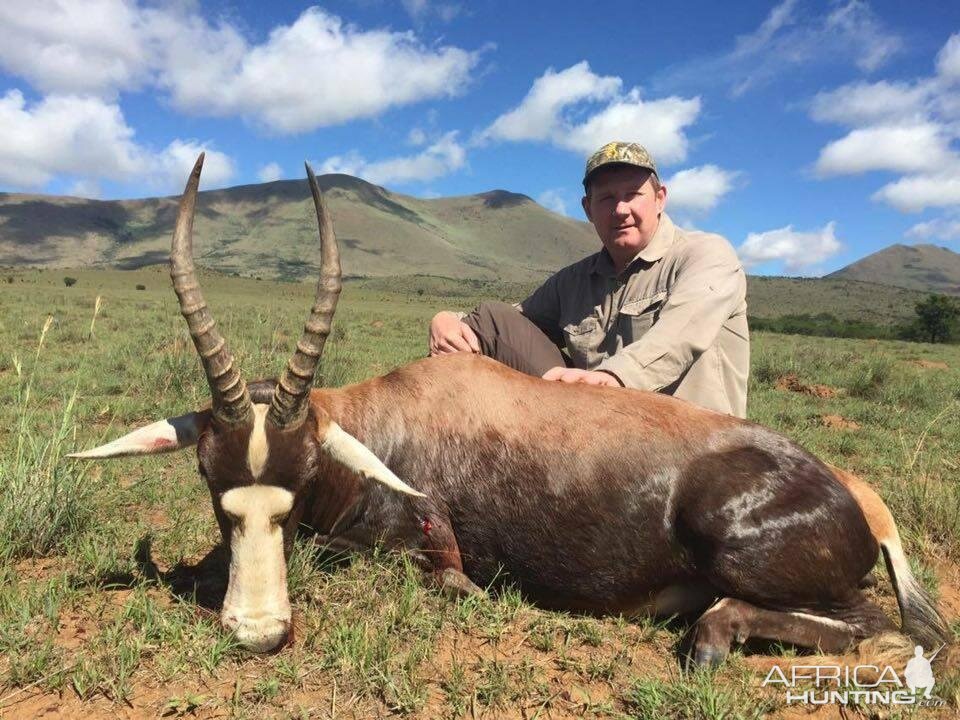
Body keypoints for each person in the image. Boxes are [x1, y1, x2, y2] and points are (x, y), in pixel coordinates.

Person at [428, 141, 749, 417]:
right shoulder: (575, 280)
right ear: (588, 208)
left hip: (691, 445)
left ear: (660, 198)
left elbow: (680, 334)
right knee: (489, 317)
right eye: (607, 198)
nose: (621, 209)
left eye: (633, 194)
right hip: (598, 434)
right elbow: (511, 323)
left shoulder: (705, 255)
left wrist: (612, 379)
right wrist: (447, 321)